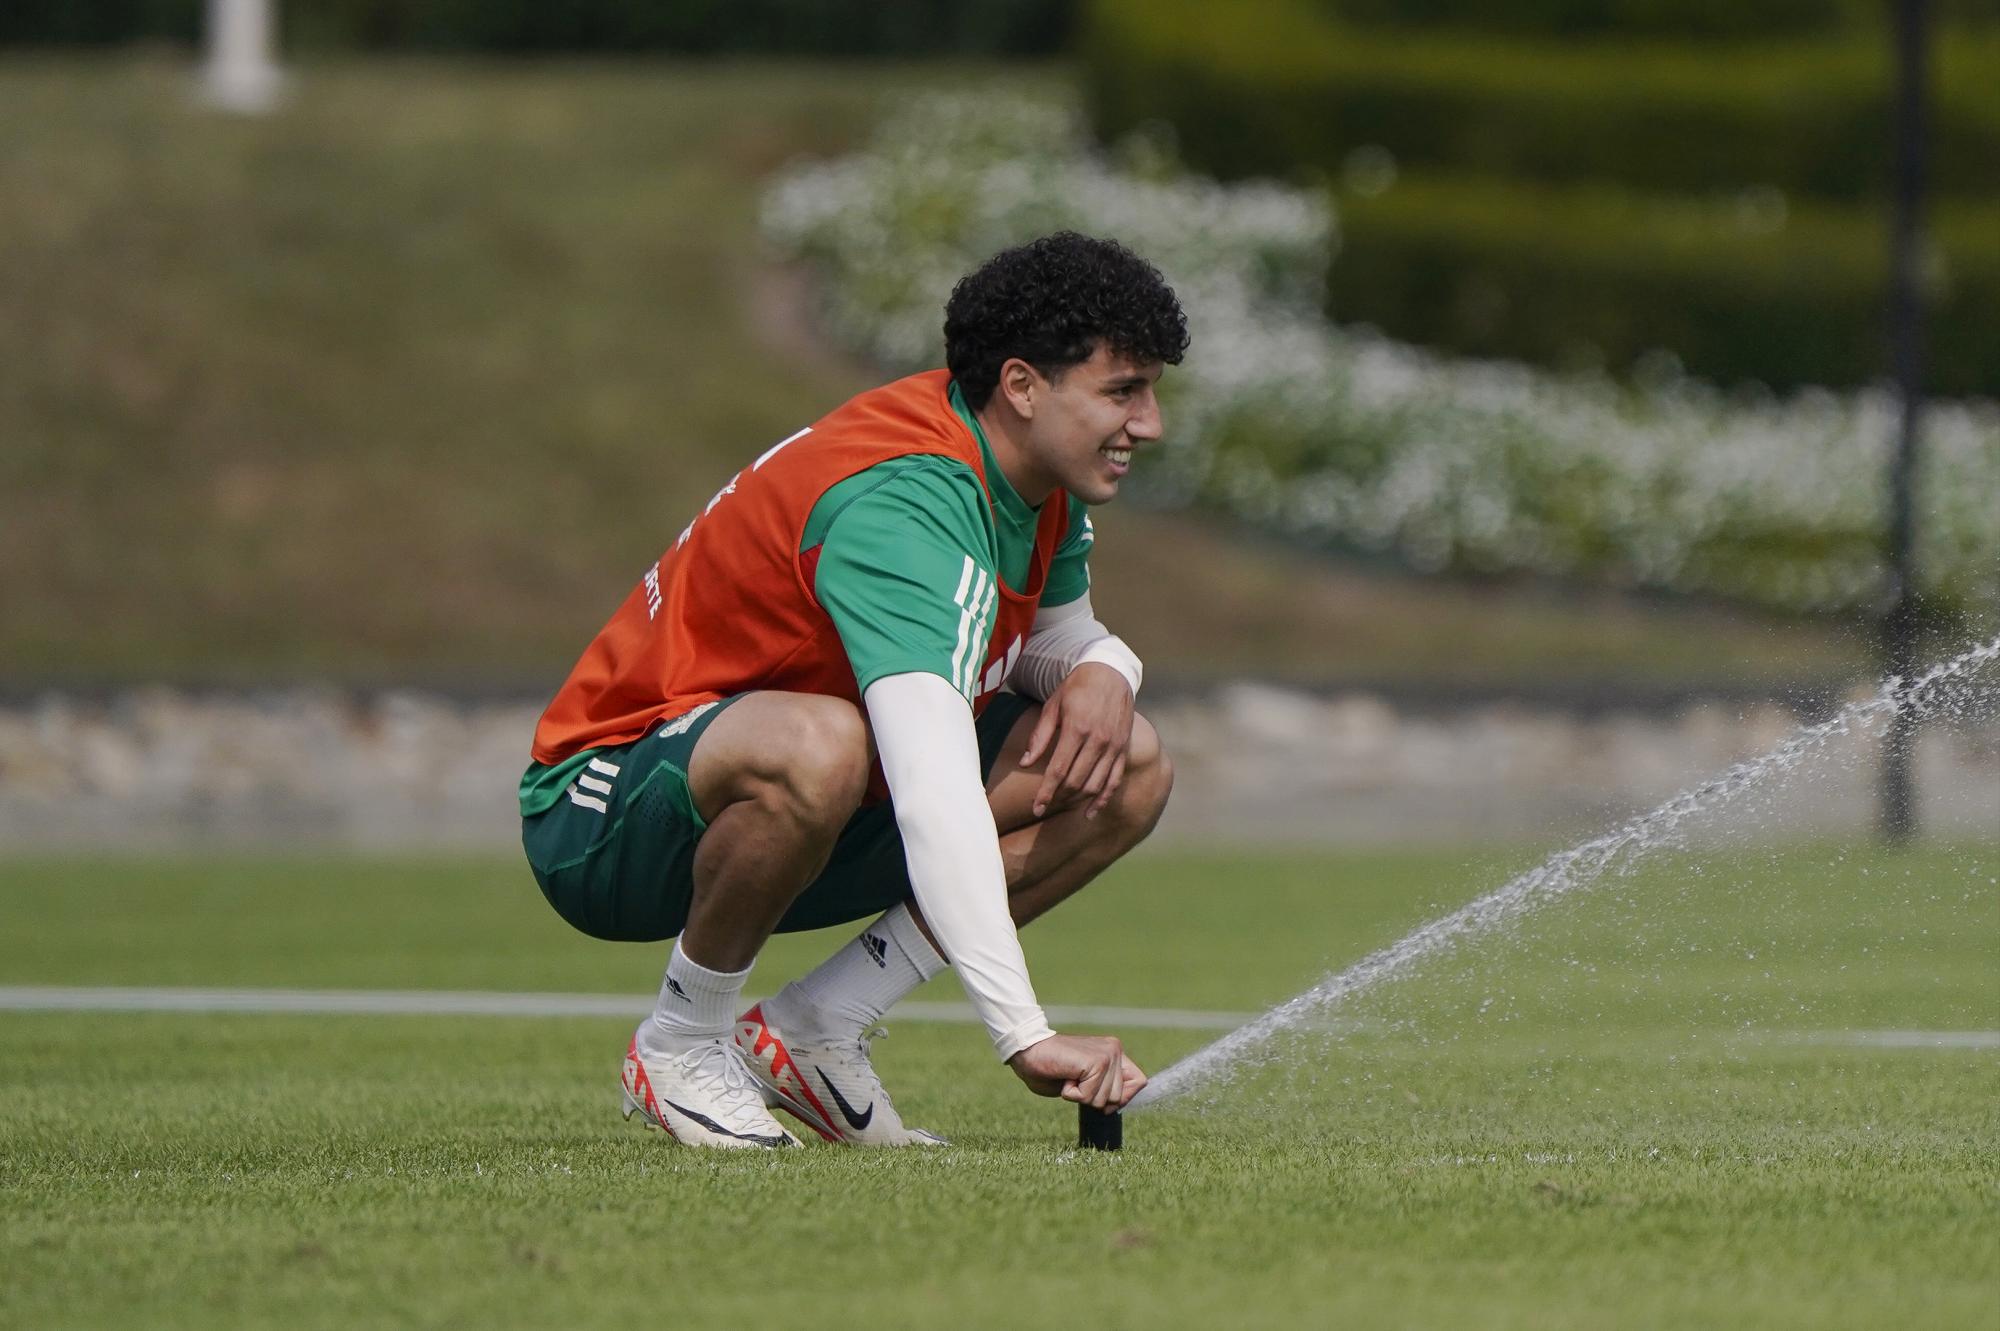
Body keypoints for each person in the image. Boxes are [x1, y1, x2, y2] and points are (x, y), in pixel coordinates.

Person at [519, 231, 1188, 1148]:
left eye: (1151, 390)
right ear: (1025, 386)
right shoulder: (904, 502)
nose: (1149, 423)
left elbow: (1055, 635)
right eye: (1124, 391)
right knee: (819, 745)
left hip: (809, 793)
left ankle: (817, 1027)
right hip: (599, 811)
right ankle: (680, 1042)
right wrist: (1022, 1034)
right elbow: (934, 786)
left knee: (1131, 765)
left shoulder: (1033, 471)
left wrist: (1109, 668)